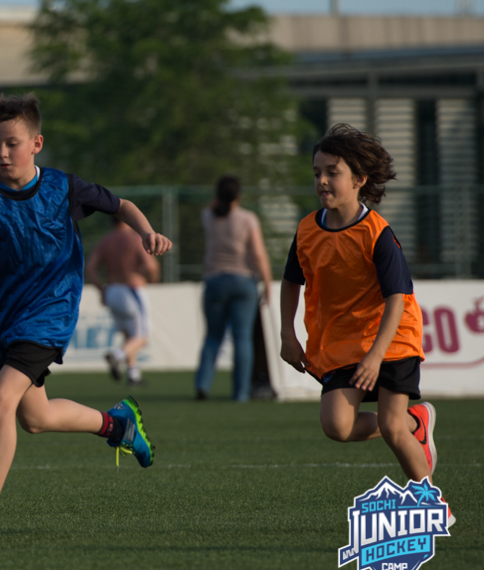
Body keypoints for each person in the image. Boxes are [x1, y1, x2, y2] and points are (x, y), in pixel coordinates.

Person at [0, 93, 171, 544]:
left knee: (0, 401)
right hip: (4, 321)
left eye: (12, 143)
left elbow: (121, 206)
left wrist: (147, 232)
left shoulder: (63, 187)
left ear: (36, 143)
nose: (2, 153)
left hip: (49, 314)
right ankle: (118, 424)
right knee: (34, 418)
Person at [280, 123, 453, 527]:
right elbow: (291, 281)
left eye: (332, 172)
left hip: (392, 338)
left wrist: (376, 356)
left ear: (359, 179)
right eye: (317, 172)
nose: (322, 181)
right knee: (336, 426)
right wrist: (287, 334)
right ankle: (417, 421)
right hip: (341, 341)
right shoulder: (307, 230)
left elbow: (398, 299)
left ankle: (432, 505)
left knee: (391, 428)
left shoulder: (377, 233)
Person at [194, 175, 272, 402]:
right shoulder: (248, 218)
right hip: (243, 281)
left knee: (212, 337)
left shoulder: (209, 216)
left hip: (214, 280)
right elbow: (258, 254)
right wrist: (267, 284)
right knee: (242, 338)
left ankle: (203, 384)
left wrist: (218, 200)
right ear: (238, 195)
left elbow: (210, 207)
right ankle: (240, 392)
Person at [86, 218, 161, 386]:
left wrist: (101, 289)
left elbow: (90, 268)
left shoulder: (106, 241)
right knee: (142, 336)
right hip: (131, 290)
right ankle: (117, 356)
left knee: (129, 335)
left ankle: (133, 374)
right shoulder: (135, 239)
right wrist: (152, 278)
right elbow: (151, 266)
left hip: (112, 290)